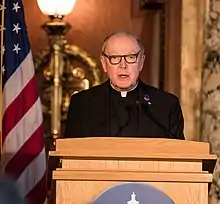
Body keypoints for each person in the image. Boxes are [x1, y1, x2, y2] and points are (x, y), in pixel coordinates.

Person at [64, 31, 184, 139]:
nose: (123, 65)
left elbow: (179, 155)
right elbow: (69, 153)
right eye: (115, 58)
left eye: (131, 57)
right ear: (104, 63)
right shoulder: (82, 104)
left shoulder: (166, 105)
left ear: (141, 62)